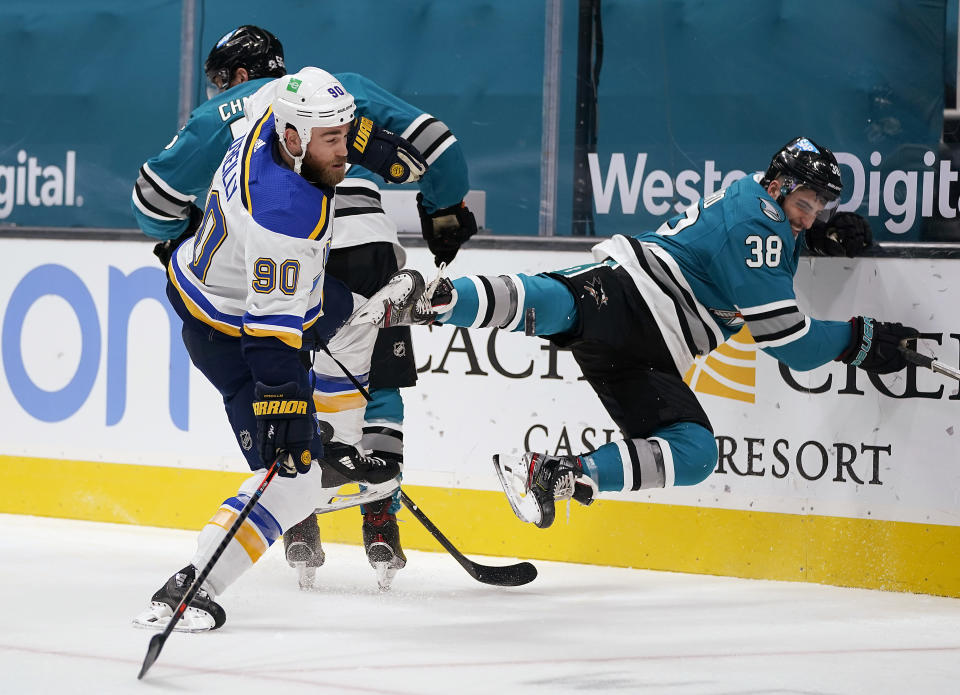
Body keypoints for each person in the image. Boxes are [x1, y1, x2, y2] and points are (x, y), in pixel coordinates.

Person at [351, 137, 919, 529]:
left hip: (659, 352)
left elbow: (755, 255)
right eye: (804, 204)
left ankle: (562, 474)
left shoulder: (760, 205)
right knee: (559, 303)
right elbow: (788, 343)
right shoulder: (759, 225)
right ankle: (433, 298)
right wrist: (861, 341)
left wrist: (810, 238)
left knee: (695, 453)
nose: (807, 217)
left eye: (817, 210)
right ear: (779, 185)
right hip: (635, 292)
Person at [131, 25, 476, 590]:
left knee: (297, 389)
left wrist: (184, 233)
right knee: (372, 364)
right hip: (351, 246)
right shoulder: (338, 91)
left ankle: (302, 510)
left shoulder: (235, 116)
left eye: (221, 81)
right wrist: (444, 207)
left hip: (278, 271)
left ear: (240, 77)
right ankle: (376, 503)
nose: (217, 92)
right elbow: (437, 144)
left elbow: (152, 199)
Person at [134, 67, 410, 631]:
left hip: (222, 292)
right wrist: (284, 408)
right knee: (292, 476)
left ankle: (328, 444)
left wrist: (359, 138)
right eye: (330, 139)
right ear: (294, 139)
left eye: (343, 132)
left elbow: (294, 103)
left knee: (361, 297)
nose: (343, 150)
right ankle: (190, 588)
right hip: (232, 336)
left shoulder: (265, 112)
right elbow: (270, 340)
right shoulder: (287, 215)